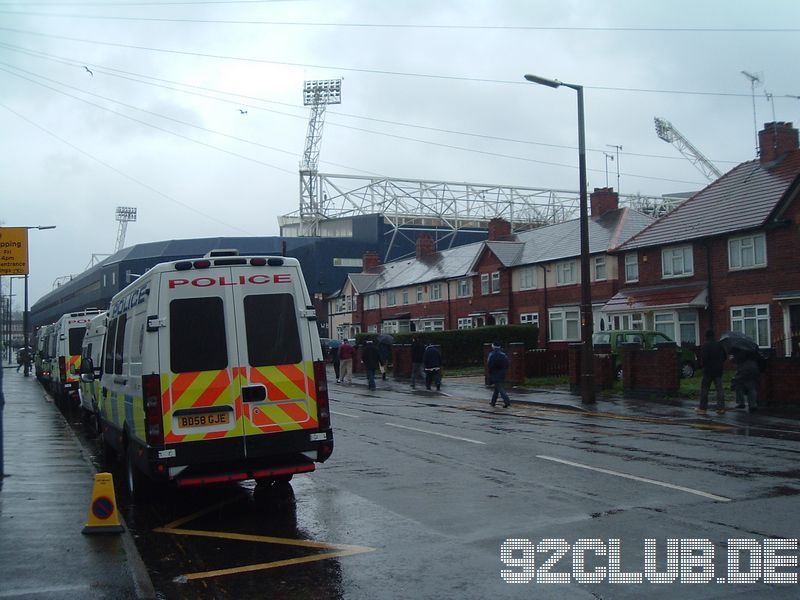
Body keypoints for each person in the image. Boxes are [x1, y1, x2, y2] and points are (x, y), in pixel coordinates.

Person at [696, 329, 727, 415]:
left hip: (708, 371)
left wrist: (702, 366)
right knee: (719, 389)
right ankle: (721, 408)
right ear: (714, 336)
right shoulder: (720, 345)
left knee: (705, 389)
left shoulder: (706, 345)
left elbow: (704, 358)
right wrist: (719, 363)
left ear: (706, 336)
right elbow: (725, 356)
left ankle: (703, 408)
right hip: (718, 370)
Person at [487, 342, 511, 408]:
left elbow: (490, 365)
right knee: (496, 388)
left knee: (500, 388)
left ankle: (507, 401)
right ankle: (493, 402)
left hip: (495, 373)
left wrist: (490, 372)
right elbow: (507, 363)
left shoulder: (492, 354)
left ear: (493, 347)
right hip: (502, 373)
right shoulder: (503, 354)